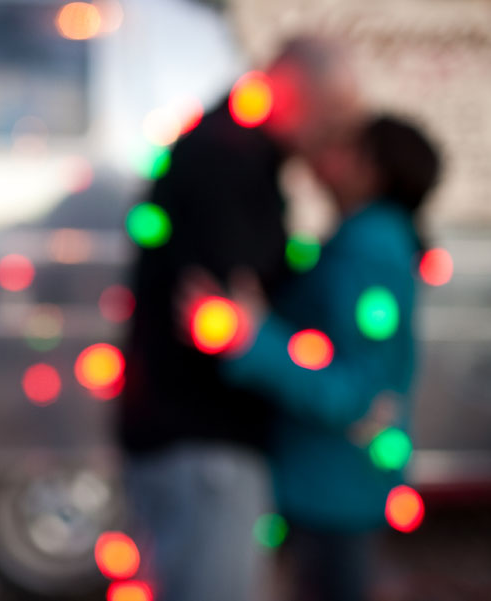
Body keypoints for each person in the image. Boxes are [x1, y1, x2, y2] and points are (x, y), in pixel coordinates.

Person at [118, 36, 362, 601]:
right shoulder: (227, 158)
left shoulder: (231, 149)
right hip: (202, 438)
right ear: (298, 95)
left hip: (190, 435)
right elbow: (231, 301)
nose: (328, 140)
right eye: (329, 120)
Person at [208, 115, 442, 601]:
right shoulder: (361, 242)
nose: (327, 156)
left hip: (336, 489)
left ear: (371, 170)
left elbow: (354, 393)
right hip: (331, 483)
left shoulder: (369, 251)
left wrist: (252, 339)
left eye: (346, 146)